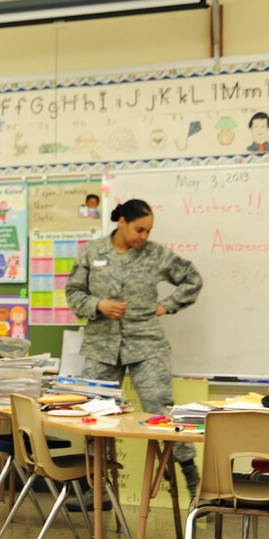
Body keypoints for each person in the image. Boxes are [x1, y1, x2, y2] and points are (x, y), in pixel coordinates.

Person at [66, 199, 204, 495]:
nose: (144, 236)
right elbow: (73, 293)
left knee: (162, 410)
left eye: (148, 231)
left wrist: (167, 306)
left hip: (146, 344)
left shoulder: (156, 255)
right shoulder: (93, 252)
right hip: (102, 343)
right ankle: (96, 486)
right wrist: (98, 304)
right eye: (139, 229)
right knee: (95, 410)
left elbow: (192, 279)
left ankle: (192, 479)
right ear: (122, 222)